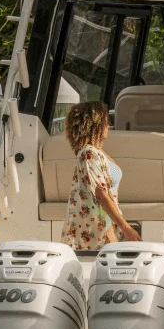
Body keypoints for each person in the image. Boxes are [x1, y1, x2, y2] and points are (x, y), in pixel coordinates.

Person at [60, 101, 138, 250]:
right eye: (106, 122)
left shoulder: (97, 153)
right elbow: (100, 194)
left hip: (105, 225)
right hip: (98, 229)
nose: (108, 126)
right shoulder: (88, 153)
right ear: (95, 125)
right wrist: (125, 227)